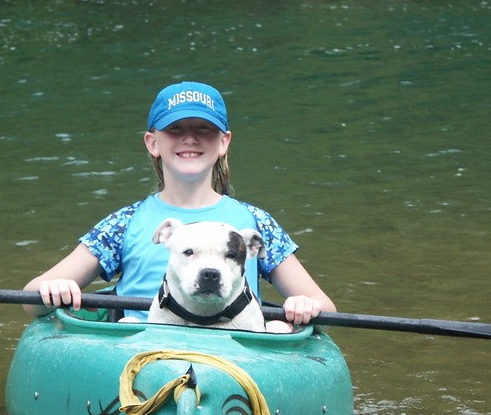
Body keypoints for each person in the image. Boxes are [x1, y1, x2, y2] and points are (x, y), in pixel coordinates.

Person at [23, 81, 335, 328]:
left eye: (204, 129)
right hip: (142, 351)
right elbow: (30, 297)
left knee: (280, 328)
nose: (189, 139)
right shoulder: (125, 223)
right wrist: (55, 288)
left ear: (223, 142)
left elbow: (325, 307)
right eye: (175, 129)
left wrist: (306, 305)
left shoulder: (254, 223)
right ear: (153, 143)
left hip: (235, 354)